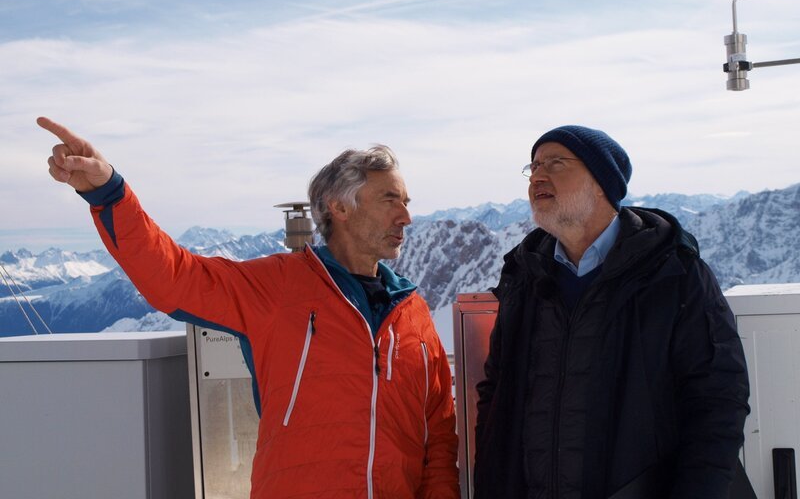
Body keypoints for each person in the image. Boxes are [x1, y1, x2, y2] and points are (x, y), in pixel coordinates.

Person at [38, 117, 459, 499]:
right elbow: (173, 278)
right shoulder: (277, 286)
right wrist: (109, 192)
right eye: (390, 200)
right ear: (340, 207)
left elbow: (438, 433)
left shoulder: (413, 313)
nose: (406, 216)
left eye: (407, 202)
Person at [474, 125, 750, 499]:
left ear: (602, 182)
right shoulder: (525, 276)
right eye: (534, 166)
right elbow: (496, 392)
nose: (538, 175)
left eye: (556, 163)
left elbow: (718, 399)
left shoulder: (673, 272)